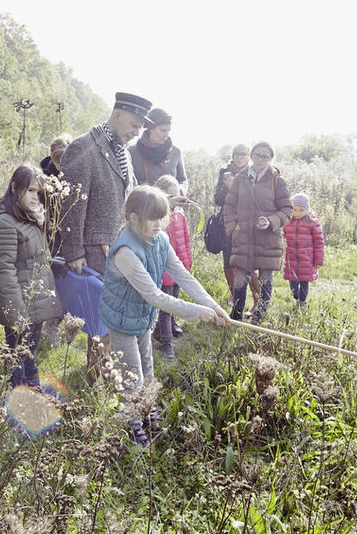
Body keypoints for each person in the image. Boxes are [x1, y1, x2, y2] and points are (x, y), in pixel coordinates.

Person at [99, 186, 230, 447]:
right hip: (122, 318)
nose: (159, 223)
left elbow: (182, 275)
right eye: (152, 218)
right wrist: (197, 313)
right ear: (134, 218)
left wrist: (213, 305)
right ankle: (133, 424)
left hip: (143, 316)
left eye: (162, 217)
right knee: (131, 374)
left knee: (147, 367)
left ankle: (148, 412)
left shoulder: (160, 240)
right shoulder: (126, 252)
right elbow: (155, 296)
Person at [59, 91, 153, 378]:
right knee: (100, 323)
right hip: (92, 248)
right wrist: (73, 251)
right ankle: (98, 379)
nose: (137, 132)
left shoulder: (122, 152)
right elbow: (70, 204)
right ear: (118, 114)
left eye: (141, 128)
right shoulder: (83, 147)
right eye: (135, 124)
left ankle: (105, 376)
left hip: (116, 247)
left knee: (113, 318)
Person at [0, 164, 63, 389]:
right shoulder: (4, 222)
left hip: (35, 298)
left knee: (29, 347)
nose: (36, 197)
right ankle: (16, 392)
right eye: (30, 191)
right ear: (14, 187)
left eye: (39, 193)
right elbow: (4, 269)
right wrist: (16, 311)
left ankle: (31, 378)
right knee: (17, 350)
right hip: (20, 303)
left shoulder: (29, 217)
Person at [223, 141, 293, 323]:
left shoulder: (277, 181)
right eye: (257, 155)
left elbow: (287, 210)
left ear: (270, 159)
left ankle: (259, 318)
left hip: (267, 239)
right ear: (252, 155)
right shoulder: (240, 178)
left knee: (264, 281)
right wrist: (232, 229)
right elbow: (229, 206)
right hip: (243, 237)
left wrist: (271, 221)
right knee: (239, 281)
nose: (261, 159)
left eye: (265, 156)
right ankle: (236, 317)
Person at [214, 143, 261, 309]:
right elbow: (217, 200)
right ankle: (235, 299)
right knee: (228, 263)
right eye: (237, 154)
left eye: (243, 154)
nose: (240, 157)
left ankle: (258, 301)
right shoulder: (224, 172)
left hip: (246, 225)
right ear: (233, 155)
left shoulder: (254, 173)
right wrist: (227, 188)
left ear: (248, 156)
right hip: (227, 225)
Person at [151, 174, 191, 360]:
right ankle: (166, 343)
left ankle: (167, 329)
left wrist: (187, 262)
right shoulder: (157, 220)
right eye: (170, 196)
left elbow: (186, 241)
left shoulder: (180, 216)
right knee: (166, 307)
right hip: (164, 270)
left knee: (175, 299)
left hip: (179, 268)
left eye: (176, 195)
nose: (175, 200)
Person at [128, 108, 188, 194]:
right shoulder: (132, 152)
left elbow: (182, 180)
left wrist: (180, 192)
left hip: (173, 207)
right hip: (144, 205)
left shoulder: (176, 152)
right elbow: (129, 185)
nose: (167, 135)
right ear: (150, 128)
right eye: (163, 130)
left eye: (169, 130)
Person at [282, 193, 325, 307]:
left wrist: (318, 261)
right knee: (292, 282)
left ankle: (301, 303)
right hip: (291, 256)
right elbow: (282, 234)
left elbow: (319, 242)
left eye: (301, 210)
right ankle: (296, 294)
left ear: (307, 209)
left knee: (304, 281)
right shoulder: (288, 222)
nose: (297, 213)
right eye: (295, 210)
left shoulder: (312, 222)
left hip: (307, 257)